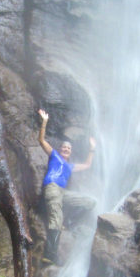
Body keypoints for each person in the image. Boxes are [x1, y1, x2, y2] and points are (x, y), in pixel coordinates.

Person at [37, 108, 96, 264]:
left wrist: (92, 148)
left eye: (68, 148)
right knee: (56, 219)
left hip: (63, 192)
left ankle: (69, 222)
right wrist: (44, 122)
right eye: (64, 147)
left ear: (70, 152)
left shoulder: (70, 166)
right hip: (52, 187)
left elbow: (87, 165)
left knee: (90, 202)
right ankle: (49, 256)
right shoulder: (54, 155)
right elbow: (42, 141)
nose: (66, 149)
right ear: (60, 149)